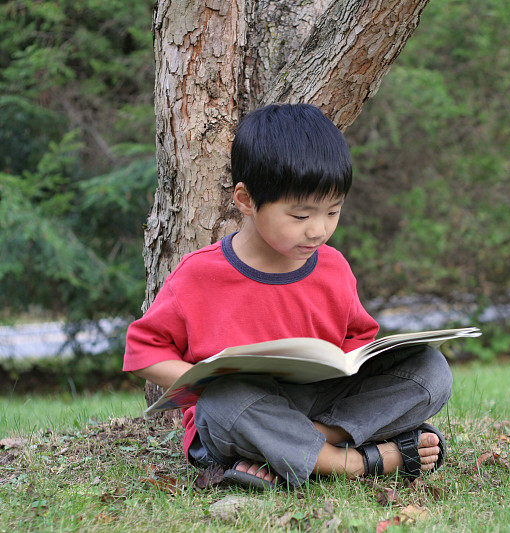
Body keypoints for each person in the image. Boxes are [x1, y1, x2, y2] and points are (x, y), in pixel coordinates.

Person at [123, 103, 452, 489]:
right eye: (300, 216)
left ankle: (290, 450)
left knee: (431, 370)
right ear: (246, 201)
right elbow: (142, 352)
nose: (318, 230)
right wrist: (205, 381)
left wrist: (356, 362)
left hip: (318, 406)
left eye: (333, 212)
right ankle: (351, 463)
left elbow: (357, 347)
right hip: (240, 415)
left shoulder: (332, 267)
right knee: (224, 401)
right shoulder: (200, 274)